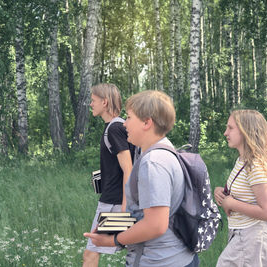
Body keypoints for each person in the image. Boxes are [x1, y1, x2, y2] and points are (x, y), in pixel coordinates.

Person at [84, 90, 199, 267]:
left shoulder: (154, 163)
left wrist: (113, 240)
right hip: (176, 258)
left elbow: (156, 225)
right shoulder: (166, 150)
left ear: (147, 123)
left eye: (129, 118)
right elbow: (148, 213)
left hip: (160, 261)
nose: (124, 125)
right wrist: (110, 225)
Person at [214, 109, 267, 267]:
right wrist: (221, 192)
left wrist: (231, 204)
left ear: (246, 131)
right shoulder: (243, 160)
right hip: (243, 235)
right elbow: (245, 193)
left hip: (255, 238)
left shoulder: (256, 165)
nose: (226, 133)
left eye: (231, 128)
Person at [83, 83, 134, 267]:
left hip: (113, 204)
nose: (90, 104)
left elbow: (128, 168)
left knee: (91, 253)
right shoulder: (117, 126)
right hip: (115, 200)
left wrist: (125, 207)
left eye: (93, 100)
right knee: (135, 250)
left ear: (105, 102)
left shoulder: (114, 129)